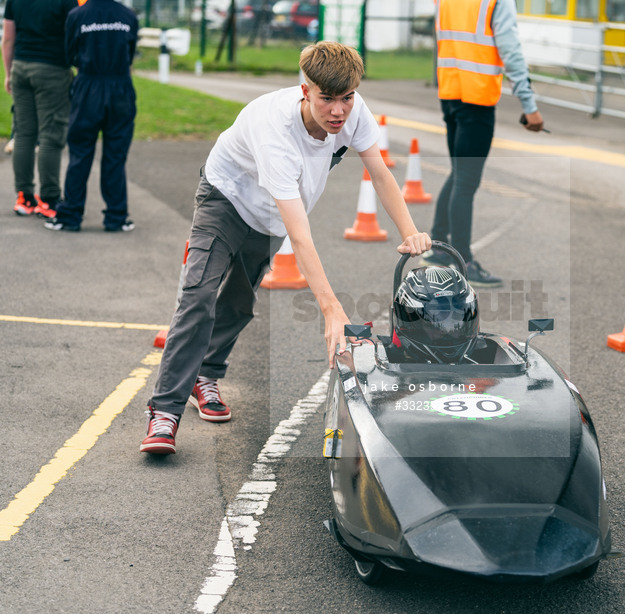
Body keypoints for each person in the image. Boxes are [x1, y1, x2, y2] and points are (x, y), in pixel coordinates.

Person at [141, 41, 431, 455]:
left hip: (270, 216)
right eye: (326, 99)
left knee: (239, 304)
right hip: (227, 196)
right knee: (199, 295)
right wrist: (331, 309)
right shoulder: (275, 131)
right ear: (305, 90)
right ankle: (165, 412)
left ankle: (206, 375)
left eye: (346, 98)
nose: (338, 111)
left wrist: (411, 232)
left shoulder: (353, 112)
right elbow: (301, 236)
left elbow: (381, 174)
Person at [423, 0, 545, 288]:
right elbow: (511, 50)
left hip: (451, 92)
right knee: (465, 181)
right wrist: (529, 104)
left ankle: (440, 248)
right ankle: (461, 260)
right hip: (476, 99)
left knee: (458, 174)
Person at [45, 0, 139, 233]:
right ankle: (117, 217)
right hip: (120, 88)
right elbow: (130, 53)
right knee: (115, 155)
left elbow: (70, 54)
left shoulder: (77, 15)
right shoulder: (128, 16)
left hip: (88, 86)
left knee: (80, 152)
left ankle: (71, 215)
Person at [2, 0, 78, 218]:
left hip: (21, 67)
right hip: (53, 69)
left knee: (24, 134)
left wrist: (9, 73)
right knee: (50, 136)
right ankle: (49, 199)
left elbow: (8, 39)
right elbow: (74, 34)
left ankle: (24, 197)